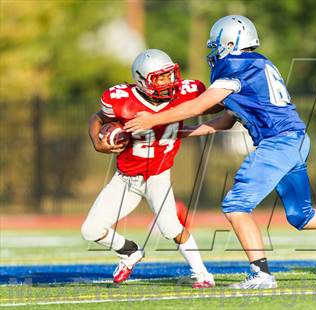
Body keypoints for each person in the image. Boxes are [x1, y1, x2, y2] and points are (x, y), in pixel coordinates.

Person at [124, 16, 316, 289]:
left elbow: (198, 106)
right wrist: (182, 133)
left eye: (216, 44)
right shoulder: (258, 63)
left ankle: (261, 274)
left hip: (278, 142)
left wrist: (152, 119)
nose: (214, 51)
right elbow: (226, 120)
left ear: (230, 43)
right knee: (302, 216)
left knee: (235, 205)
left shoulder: (235, 66)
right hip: (295, 139)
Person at [81, 49, 215, 288]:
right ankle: (130, 252)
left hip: (158, 176)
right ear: (142, 81)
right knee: (90, 230)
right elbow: (97, 118)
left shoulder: (186, 92)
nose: (169, 83)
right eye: (160, 78)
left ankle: (203, 274)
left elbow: (215, 105)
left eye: (170, 75)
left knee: (170, 227)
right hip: (126, 178)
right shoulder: (121, 99)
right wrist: (97, 141)